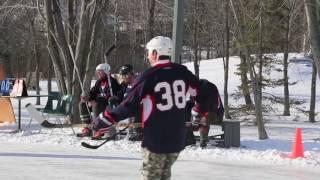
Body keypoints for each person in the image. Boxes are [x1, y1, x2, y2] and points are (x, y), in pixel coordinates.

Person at [93, 36, 204, 180]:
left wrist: (105, 120)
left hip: (157, 139)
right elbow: (202, 93)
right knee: (163, 175)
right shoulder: (183, 72)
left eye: (149, 52)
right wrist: (196, 113)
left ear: (155, 53)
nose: (148, 56)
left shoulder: (149, 76)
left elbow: (129, 106)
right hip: (177, 138)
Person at [77, 63, 122, 138]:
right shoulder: (99, 82)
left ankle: (99, 129)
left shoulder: (112, 82)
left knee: (97, 104)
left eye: (100, 71)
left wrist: (96, 100)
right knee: (82, 104)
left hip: (108, 105)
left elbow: (112, 97)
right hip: (98, 103)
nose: (98, 73)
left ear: (106, 72)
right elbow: (93, 92)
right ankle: (88, 127)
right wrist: (87, 98)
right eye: (97, 71)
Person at [191, 79, 224, 148]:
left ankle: (191, 139)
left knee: (200, 119)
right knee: (204, 120)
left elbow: (192, 100)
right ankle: (202, 141)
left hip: (202, 112)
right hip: (211, 112)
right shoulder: (213, 87)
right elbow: (218, 102)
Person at [118, 64, 143, 141]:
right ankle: (131, 131)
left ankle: (139, 133)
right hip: (128, 108)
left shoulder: (138, 83)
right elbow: (120, 95)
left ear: (130, 74)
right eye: (122, 75)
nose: (123, 77)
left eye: (125, 75)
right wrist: (115, 99)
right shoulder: (124, 85)